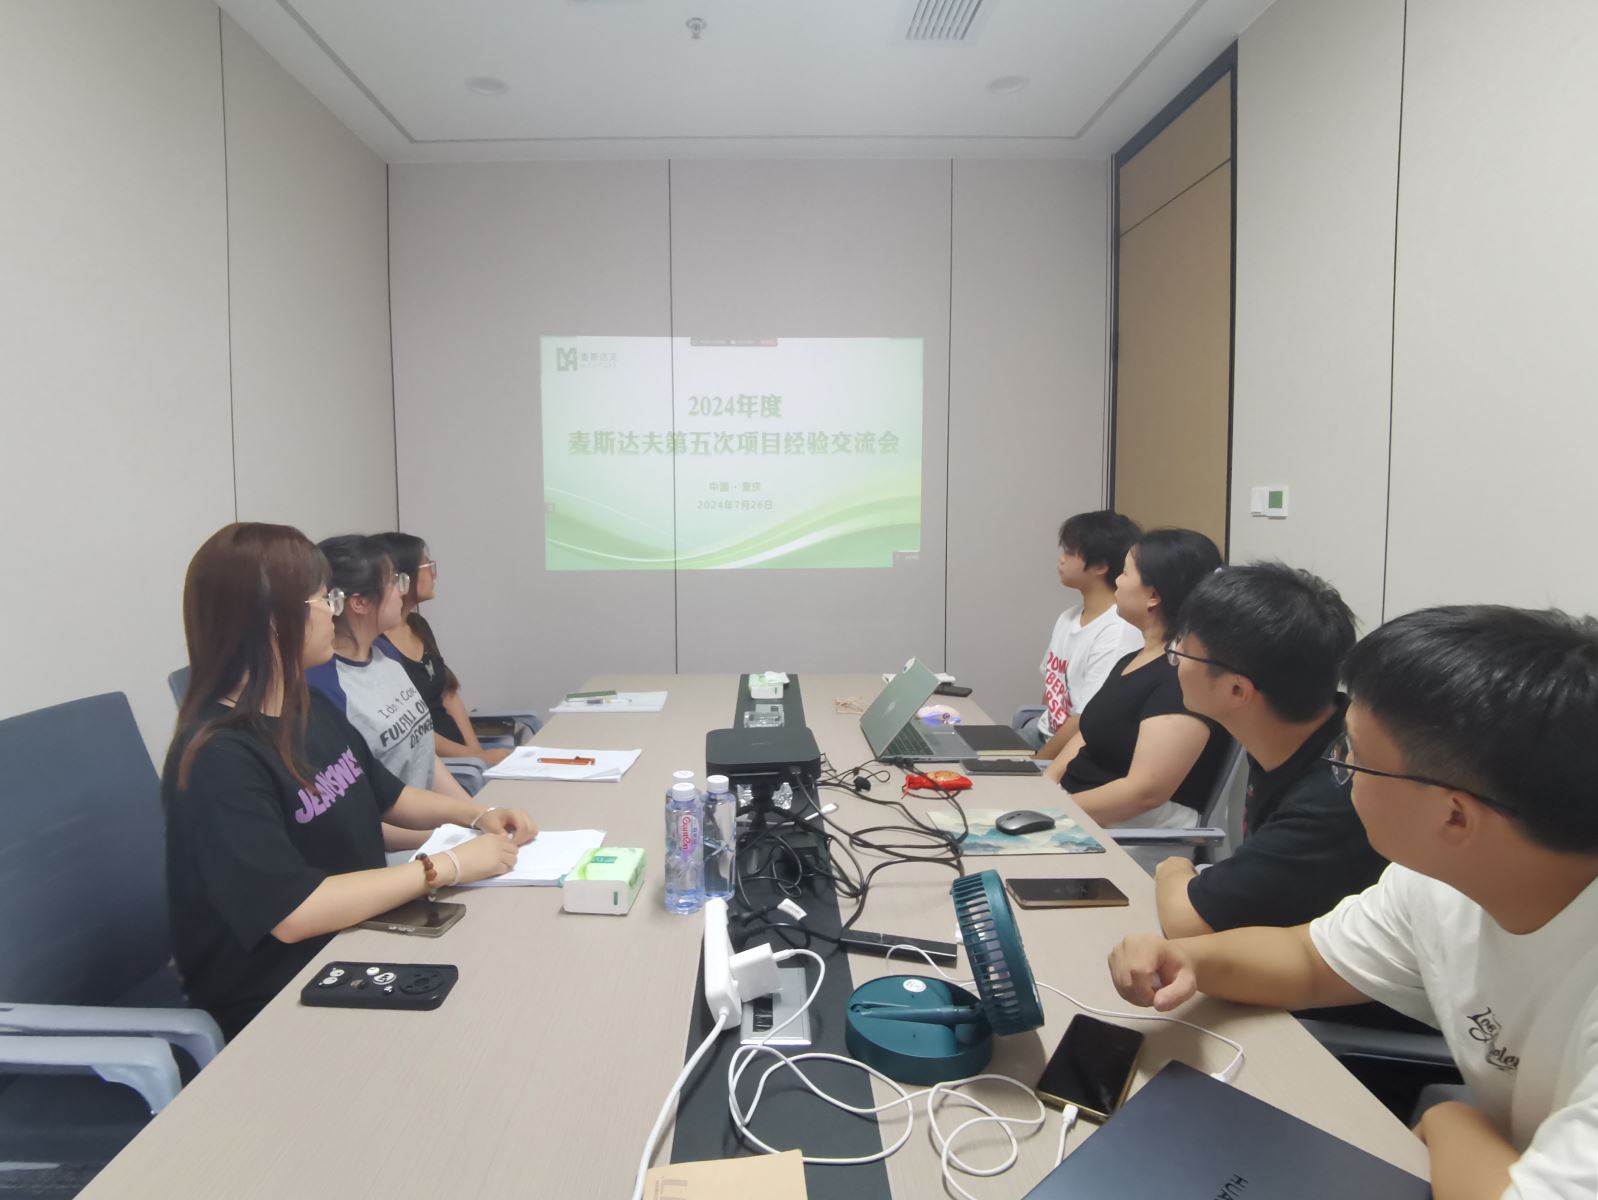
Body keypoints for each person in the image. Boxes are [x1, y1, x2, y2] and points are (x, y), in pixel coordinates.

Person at [1107, 606, 1598, 1200]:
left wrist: (1452, 1119)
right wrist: (1190, 961)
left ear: (1454, 816)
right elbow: (1310, 959)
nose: (1340, 770)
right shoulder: (1440, 883)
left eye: (1354, 758)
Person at [164, 523, 536, 1039]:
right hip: (281, 994)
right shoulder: (218, 758)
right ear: (275, 621)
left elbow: (388, 796)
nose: (333, 612)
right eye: (324, 599)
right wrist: (447, 866)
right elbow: (294, 912)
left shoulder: (305, 706)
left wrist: (477, 815)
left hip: (357, 936)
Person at [1155, 562, 1385, 938]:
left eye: (1185, 649)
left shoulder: (1331, 801)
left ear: (1237, 690)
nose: (1176, 655)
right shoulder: (1305, 728)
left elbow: (1186, 922)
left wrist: (1173, 867)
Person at [1042, 528, 1231, 829]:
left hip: (1123, 832)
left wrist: (1053, 812)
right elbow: (1088, 734)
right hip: (1072, 812)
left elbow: (1143, 794)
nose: (1117, 581)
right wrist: (1044, 787)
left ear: (1153, 596)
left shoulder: (1181, 677)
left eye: (1125, 573)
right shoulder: (1132, 659)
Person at [307, 535, 475, 852]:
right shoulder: (323, 687)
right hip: (393, 852)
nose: (402, 590)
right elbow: (355, 815)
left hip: (436, 834)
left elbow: (422, 754)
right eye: (394, 582)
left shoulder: (385, 653)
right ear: (359, 602)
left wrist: (478, 816)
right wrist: (451, 840)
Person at [372, 532, 512, 767]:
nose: (434, 574)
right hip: (434, 765)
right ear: (401, 576)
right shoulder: (377, 646)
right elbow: (410, 728)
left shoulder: (418, 626)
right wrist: (474, 759)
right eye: (427, 566)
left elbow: (448, 693)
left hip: (464, 762)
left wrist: (477, 754)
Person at [1022, 510, 1145, 758]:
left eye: (1069, 552)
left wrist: (1037, 763)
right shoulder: (1068, 617)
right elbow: (1051, 688)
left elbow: (1085, 721)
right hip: (1042, 734)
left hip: (1072, 752)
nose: (1061, 559)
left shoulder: (1118, 631)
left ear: (1100, 566)